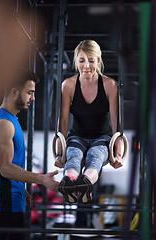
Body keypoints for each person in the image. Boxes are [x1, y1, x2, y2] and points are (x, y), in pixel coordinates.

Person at [55, 40, 123, 204]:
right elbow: (63, 121)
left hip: (102, 137)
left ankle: (85, 183)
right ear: (76, 61)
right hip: (77, 136)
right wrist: (59, 153)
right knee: (73, 155)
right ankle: (69, 184)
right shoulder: (68, 85)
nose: (86, 66)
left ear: (98, 61)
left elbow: (116, 123)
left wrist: (118, 154)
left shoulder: (109, 85)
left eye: (91, 60)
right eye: (81, 60)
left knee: (96, 155)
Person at [0, 70, 59, 240]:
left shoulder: (12, 120)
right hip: (4, 208)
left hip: (13, 202)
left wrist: (22, 189)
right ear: (14, 91)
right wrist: (42, 179)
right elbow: (4, 168)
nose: (33, 98)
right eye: (30, 93)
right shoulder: (3, 123)